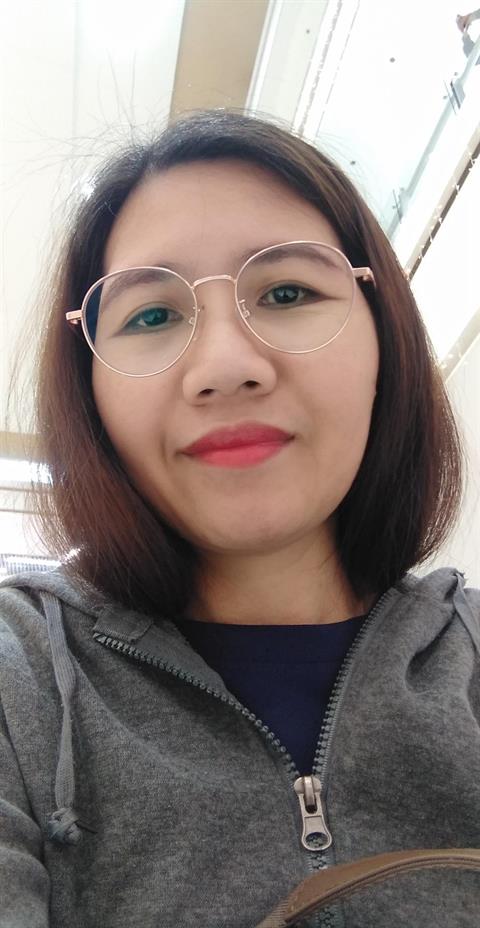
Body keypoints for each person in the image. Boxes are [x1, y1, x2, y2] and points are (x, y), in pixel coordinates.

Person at [0, 110, 479, 928]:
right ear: (91, 394)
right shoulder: (20, 681)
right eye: (152, 315)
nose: (224, 367)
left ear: (384, 342)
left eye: (288, 293)